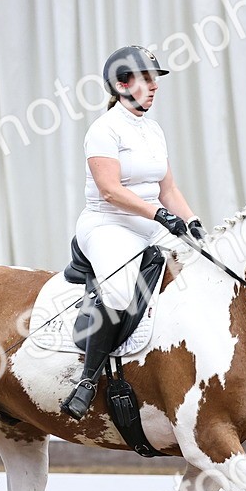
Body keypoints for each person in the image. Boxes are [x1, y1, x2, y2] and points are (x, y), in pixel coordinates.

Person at [61, 45, 206, 420]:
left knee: (198, 274)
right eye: (145, 78)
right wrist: (160, 215)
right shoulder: (103, 131)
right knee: (121, 291)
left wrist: (192, 222)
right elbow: (110, 189)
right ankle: (88, 380)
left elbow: (168, 188)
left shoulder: (153, 130)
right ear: (122, 84)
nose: (154, 86)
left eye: (154, 78)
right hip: (109, 225)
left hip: (151, 225)